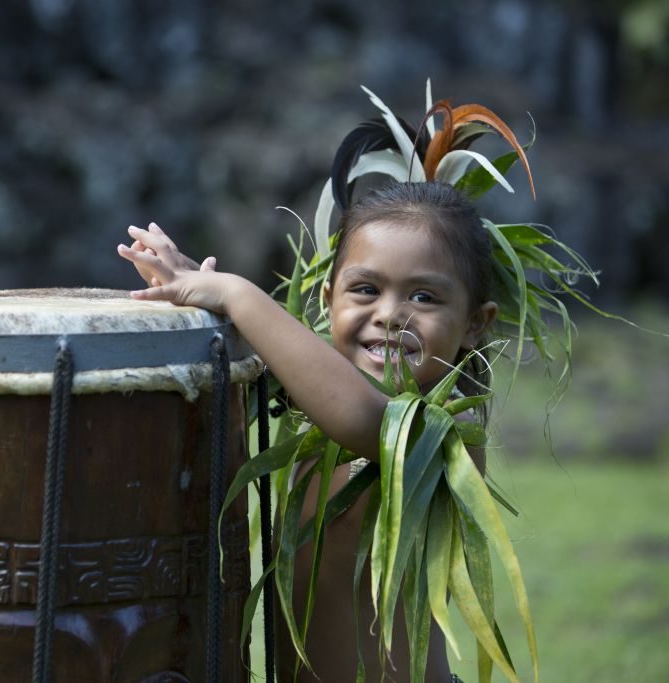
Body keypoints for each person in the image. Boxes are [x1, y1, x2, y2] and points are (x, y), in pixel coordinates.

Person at [117, 180, 497, 682]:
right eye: (365, 289)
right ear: (327, 298)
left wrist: (235, 293)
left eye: (423, 296)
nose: (388, 314)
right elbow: (300, 367)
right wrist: (192, 283)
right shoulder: (318, 398)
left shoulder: (447, 430)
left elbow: (365, 419)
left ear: (475, 323)